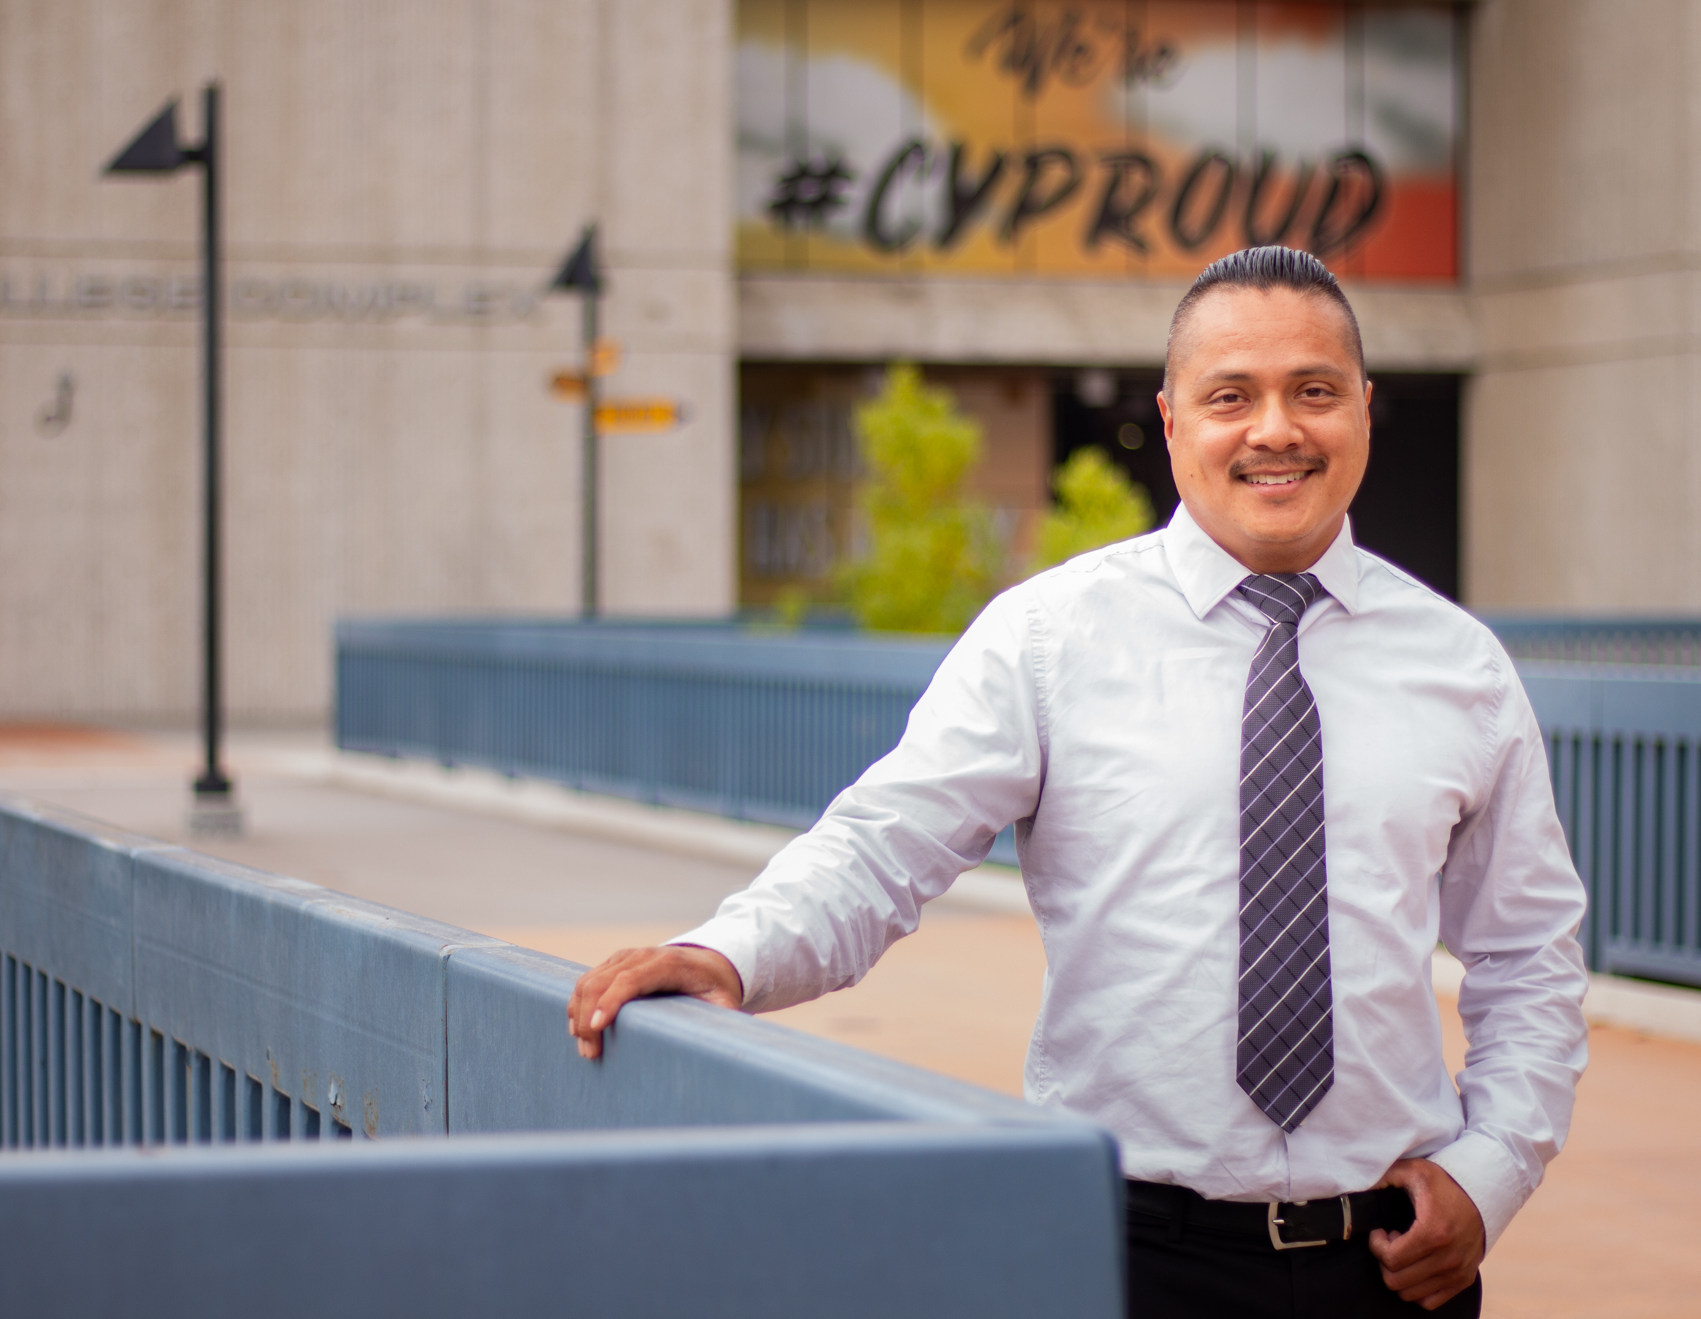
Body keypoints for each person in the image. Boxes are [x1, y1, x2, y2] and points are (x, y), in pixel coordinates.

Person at [566, 246, 1588, 1318]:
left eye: (1314, 392)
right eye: (1229, 396)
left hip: (1386, 1269)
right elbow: (883, 844)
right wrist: (725, 954)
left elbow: (1526, 958)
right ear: (1172, 415)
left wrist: (1488, 1177)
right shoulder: (1049, 638)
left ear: (1365, 412)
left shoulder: (1460, 666)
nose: (1275, 429)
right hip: (1118, 1255)